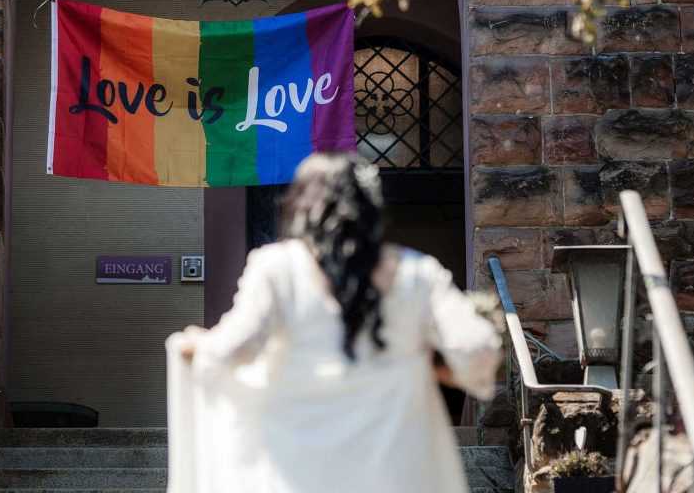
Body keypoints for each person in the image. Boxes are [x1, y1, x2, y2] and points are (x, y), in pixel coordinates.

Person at [171, 152, 501, 493]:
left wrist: (200, 346)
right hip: (394, 468)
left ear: (302, 206)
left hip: (299, 465)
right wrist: (439, 369)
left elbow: (235, 350)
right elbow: (476, 349)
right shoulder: (418, 272)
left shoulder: (276, 268)